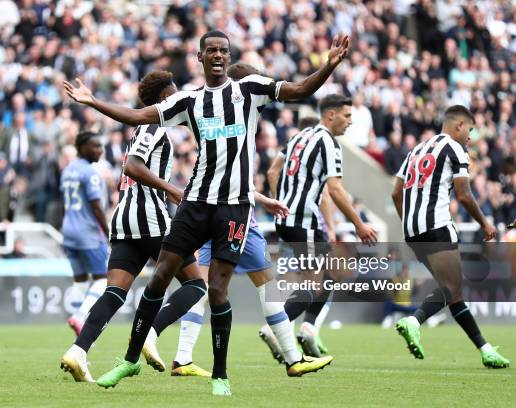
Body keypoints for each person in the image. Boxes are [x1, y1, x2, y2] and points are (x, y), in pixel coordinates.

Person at [64, 29, 350, 396]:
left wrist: (327, 66)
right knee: (160, 275)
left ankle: (220, 375)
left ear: (229, 58)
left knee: (217, 290)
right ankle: (130, 359)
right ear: (200, 58)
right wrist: (92, 102)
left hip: (233, 209)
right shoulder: (189, 101)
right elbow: (136, 115)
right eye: (210, 50)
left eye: (223, 50)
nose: (217, 55)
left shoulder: (249, 90)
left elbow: (299, 90)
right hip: (195, 203)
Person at [141, 63, 333, 378]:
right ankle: (292, 357)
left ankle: (177, 352)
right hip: (236, 216)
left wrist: (263, 197)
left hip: (209, 209)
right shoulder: (240, 111)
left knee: (201, 286)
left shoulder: (217, 116)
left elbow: (228, 177)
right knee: (266, 285)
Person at [60, 71, 204, 383]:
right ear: (166, 98)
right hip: (149, 217)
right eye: (175, 94)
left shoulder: (146, 127)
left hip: (124, 218)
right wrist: (172, 189)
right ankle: (150, 333)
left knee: (114, 292)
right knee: (196, 285)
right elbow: (133, 167)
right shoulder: (154, 125)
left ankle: (78, 351)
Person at [391, 105, 509, 368]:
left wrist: (411, 223)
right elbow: (464, 194)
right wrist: (485, 223)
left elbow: (396, 193)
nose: (470, 136)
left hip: (413, 230)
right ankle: (414, 320)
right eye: (470, 129)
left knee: (452, 292)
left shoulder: (415, 150)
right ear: (458, 125)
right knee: (453, 286)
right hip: (437, 225)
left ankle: (485, 349)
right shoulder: (455, 148)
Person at [266, 94, 377, 358]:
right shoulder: (328, 142)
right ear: (331, 115)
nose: (350, 122)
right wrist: (359, 224)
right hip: (303, 221)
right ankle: (276, 328)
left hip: (289, 220)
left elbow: (273, 170)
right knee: (314, 285)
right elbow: (335, 189)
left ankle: (308, 328)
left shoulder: (299, 137)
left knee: (332, 274)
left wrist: (281, 203)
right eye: (347, 116)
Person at [60, 131, 110, 335]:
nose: (100, 150)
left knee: (80, 280)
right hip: (87, 233)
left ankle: (74, 319)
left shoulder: (68, 169)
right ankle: (80, 317)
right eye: (95, 146)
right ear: (83, 148)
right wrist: (108, 233)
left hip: (68, 231)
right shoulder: (90, 173)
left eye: (101, 146)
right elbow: (96, 206)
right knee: (103, 279)